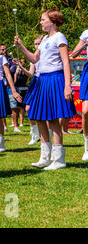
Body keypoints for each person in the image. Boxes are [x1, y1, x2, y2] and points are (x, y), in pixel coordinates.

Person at [15, 9, 75, 170]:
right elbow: (35, 59)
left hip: (54, 79)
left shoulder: (59, 37)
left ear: (53, 21)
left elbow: (66, 62)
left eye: (43, 20)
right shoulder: (43, 40)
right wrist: (20, 46)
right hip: (40, 80)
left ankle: (59, 159)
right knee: (39, 117)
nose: (40, 22)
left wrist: (67, 85)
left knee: (53, 120)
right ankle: (45, 157)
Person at [14, 36, 43, 145]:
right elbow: (30, 74)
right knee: (28, 108)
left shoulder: (46, 55)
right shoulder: (33, 58)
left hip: (44, 81)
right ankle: (34, 135)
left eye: (38, 43)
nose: (37, 46)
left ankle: (46, 135)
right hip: (35, 82)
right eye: (35, 44)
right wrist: (21, 67)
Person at [70, 29, 88, 160]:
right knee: (85, 111)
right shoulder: (86, 33)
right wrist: (85, 45)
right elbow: (74, 55)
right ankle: (87, 147)